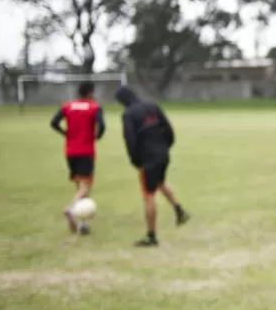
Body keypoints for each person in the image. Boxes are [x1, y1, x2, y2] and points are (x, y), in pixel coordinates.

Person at [114, 86, 190, 246]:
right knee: (160, 182)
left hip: (148, 158)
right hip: (163, 154)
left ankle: (151, 236)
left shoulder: (128, 114)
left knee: (148, 195)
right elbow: (168, 130)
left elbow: (130, 140)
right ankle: (179, 210)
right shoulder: (153, 106)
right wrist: (165, 147)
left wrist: (135, 160)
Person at [50, 81, 105, 235]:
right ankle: (71, 209)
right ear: (90, 92)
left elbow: (54, 122)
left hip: (70, 151)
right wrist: (97, 136)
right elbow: (102, 125)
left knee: (79, 186)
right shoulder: (95, 107)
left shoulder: (67, 106)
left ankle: (82, 224)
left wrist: (65, 133)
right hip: (86, 151)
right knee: (85, 187)